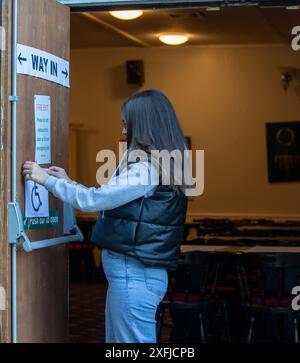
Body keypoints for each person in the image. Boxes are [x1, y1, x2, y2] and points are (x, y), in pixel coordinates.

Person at [22, 89, 188, 343]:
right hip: (137, 273)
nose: (123, 132)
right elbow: (112, 203)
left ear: (142, 125)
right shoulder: (163, 166)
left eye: (126, 124)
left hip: (134, 275)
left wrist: (46, 180)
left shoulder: (145, 170)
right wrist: (69, 183)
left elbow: (94, 200)